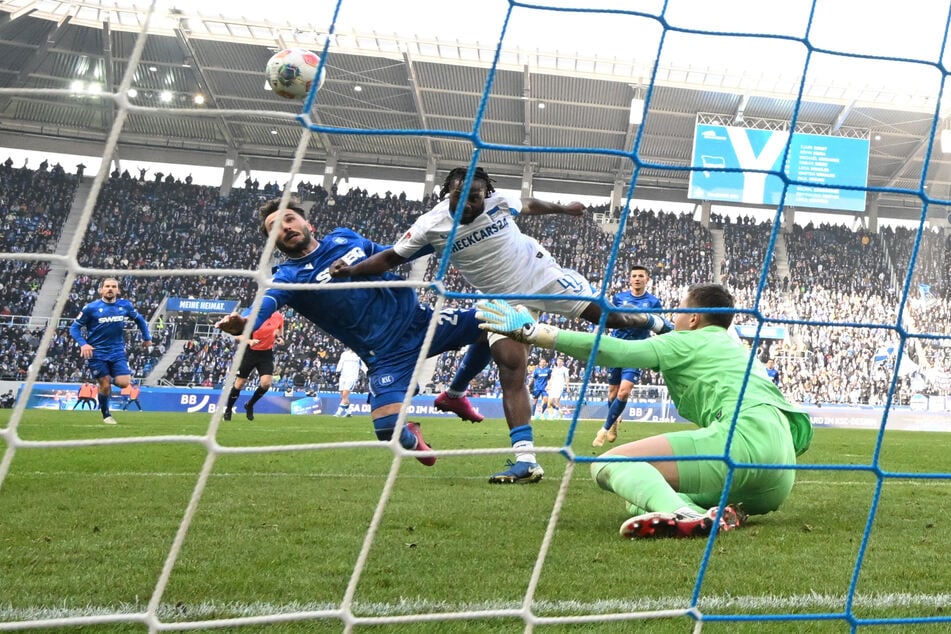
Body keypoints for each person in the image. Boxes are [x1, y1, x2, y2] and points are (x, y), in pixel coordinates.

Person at [330, 166, 667, 484]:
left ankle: (656, 321)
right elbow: (391, 257)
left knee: (613, 318)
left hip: (544, 278)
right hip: (504, 301)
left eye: (474, 197)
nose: (467, 203)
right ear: (447, 192)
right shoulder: (430, 224)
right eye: (459, 196)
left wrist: (563, 208)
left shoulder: (499, 201)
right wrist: (351, 271)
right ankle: (526, 459)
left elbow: (530, 204)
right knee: (511, 364)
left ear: (484, 194)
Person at [476, 283, 814, 539]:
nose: (673, 316)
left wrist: (536, 333)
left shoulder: (685, 341)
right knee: (640, 496)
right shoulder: (734, 346)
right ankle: (712, 514)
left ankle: (681, 513)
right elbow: (673, 337)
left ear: (693, 319)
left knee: (608, 464)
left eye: (679, 310)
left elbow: (617, 351)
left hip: (741, 442)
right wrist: (654, 323)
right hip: (779, 472)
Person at [215, 198, 488, 466]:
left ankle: (454, 394)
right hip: (384, 355)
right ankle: (412, 437)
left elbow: (392, 253)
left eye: (288, 219)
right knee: (386, 431)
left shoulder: (344, 238)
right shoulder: (287, 277)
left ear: (307, 223)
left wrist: (436, 242)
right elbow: (265, 304)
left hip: (420, 322)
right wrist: (246, 322)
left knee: (495, 326)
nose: (284, 227)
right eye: (274, 228)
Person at [594, 265, 672, 447]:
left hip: (637, 350)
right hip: (616, 348)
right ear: (629, 279)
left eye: (641, 276)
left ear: (647, 279)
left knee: (624, 391)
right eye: (634, 276)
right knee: (612, 393)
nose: (637, 278)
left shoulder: (653, 302)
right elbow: (611, 320)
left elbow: (660, 325)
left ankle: (604, 429)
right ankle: (613, 423)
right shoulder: (619, 298)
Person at [69, 278, 152, 424]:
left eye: (113, 286)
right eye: (107, 286)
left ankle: (107, 379)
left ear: (118, 290)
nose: (110, 289)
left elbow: (139, 320)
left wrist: (147, 337)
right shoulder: (91, 308)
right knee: (105, 384)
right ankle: (106, 414)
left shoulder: (125, 306)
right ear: (101, 289)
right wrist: (83, 344)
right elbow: (74, 328)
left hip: (117, 351)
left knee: (124, 383)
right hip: (97, 352)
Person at [221, 309, 285, 421]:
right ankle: (228, 409)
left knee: (266, 384)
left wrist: (279, 338)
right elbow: (238, 336)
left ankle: (249, 405)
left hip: (266, 354)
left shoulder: (278, 316)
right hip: (250, 352)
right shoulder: (251, 316)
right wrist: (249, 341)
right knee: (239, 384)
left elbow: (279, 332)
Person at [334, 347, 365, 417]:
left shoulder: (359, 356)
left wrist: (368, 373)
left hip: (352, 377)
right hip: (343, 376)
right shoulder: (344, 354)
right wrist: (337, 371)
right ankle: (349, 411)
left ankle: (338, 412)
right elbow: (340, 362)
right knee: (343, 395)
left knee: (345, 394)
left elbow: (363, 366)